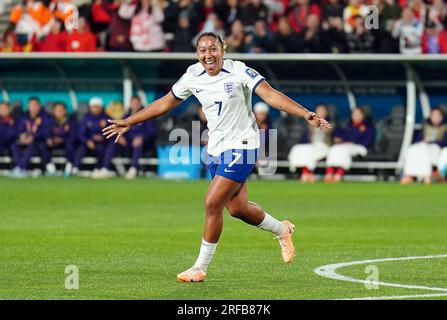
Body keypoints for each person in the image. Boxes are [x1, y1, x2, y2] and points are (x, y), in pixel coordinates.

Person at [102, 32, 331, 282]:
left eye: (213, 49)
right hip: (216, 149)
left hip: (243, 146)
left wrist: (304, 113)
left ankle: (200, 267)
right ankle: (282, 230)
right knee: (237, 209)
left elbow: (270, 95)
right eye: (202, 50)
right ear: (197, 54)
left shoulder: (240, 71)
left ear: (223, 49)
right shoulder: (192, 75)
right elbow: (165, 103)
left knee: (212, 203)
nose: (208, 55)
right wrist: (129, 121)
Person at [324, 107, 375, 182]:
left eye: (358, 114)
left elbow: (369, 141)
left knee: (344, 150)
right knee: (334, 148)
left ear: (363, 115)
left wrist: (354, 142)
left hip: (360, 147)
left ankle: (339, 174)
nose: (356, 115)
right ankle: (329, 173)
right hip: (345, 145)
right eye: (354, 114)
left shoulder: (369, 126)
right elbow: (340, 135)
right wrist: (339, 139)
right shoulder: (348, 125)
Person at [401, 107, 447, 185]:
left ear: (441, 117)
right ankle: (409, 175)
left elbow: (444, 142)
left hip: (436, 148)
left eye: (437, 115)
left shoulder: (445, 127)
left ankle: (426, 176)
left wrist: (430, 142)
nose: (435, 117)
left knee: (424, 151)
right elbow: (417, 138)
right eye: (433, 115)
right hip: (422, 145)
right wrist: (422, 141)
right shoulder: (425, 125)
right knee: (412, 149)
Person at [10, 97, 53, 178]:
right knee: (14, 145)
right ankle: (19, 167)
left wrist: (33, 137)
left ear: (39, 106)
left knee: (32, 146)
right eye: (31, 105)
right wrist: (21, 135)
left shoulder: (45, 117)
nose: (33, 107)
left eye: (35, 105)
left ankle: (21, 168)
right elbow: (18, 129)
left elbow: (47, 131)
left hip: (38, 141)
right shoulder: (24, 117)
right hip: (24, 140)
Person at [288, 103, 332, 183]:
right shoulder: (310, 124)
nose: (321, 112)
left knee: (311, 151)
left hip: (325, 146)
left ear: (327, 112)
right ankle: (305, 172)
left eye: (323, 110)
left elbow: (336, 137)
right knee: (298, 148)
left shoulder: (332, 124)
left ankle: (307, 173)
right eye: (319, 110)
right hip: (313, 145)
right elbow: (304, 138)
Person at [72, 97, 109, 177]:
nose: (95, 109)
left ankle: (98, 168)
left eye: (97, 107)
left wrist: (102, 138)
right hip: (87, 142)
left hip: (101, 143)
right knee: (80, 149)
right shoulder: (86, 118)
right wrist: (87, 140)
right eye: (93, 107)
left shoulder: (106, 118)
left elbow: (109, 132)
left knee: (101, 149)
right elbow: (81, 133)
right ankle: (75, 168)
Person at [46, 102, 78, 176]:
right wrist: (50, 139)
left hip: (66, 142)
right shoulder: (49, 121)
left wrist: (62, 139)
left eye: (61, 109)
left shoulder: (71, 121)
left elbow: (74, 136)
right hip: (53, 143)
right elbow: (46, 133)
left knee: (71, 146)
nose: (59, 112)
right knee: (42, 145)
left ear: (65, 111)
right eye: (57, 110)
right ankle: (50, 168)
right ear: (53, 111)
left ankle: (69, 168)